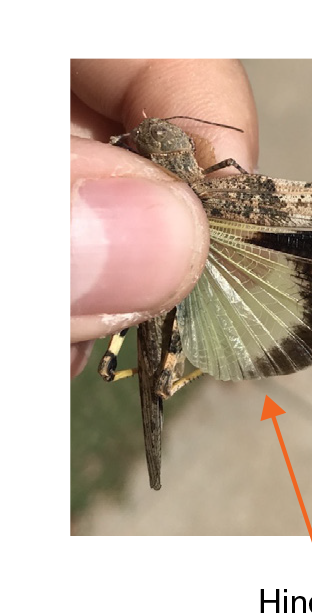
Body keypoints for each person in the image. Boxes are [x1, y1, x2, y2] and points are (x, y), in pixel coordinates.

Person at [70, 59, 258, 377]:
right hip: (165, 289)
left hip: (185, 267)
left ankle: (196, 371)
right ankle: (176, 377)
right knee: (121, 369)